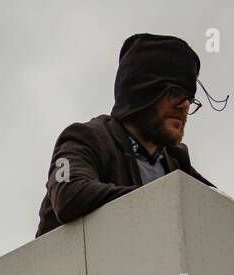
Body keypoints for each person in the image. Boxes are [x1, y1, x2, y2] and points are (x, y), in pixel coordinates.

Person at [36, 33, 219, 237]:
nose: (184, 105)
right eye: (175, 93)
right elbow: (68, 194)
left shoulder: (176, 161)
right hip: (72, 268)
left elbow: (222, 211)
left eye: (189, 98)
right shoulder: (83, 138)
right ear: (142, 91)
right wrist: (166, 196)